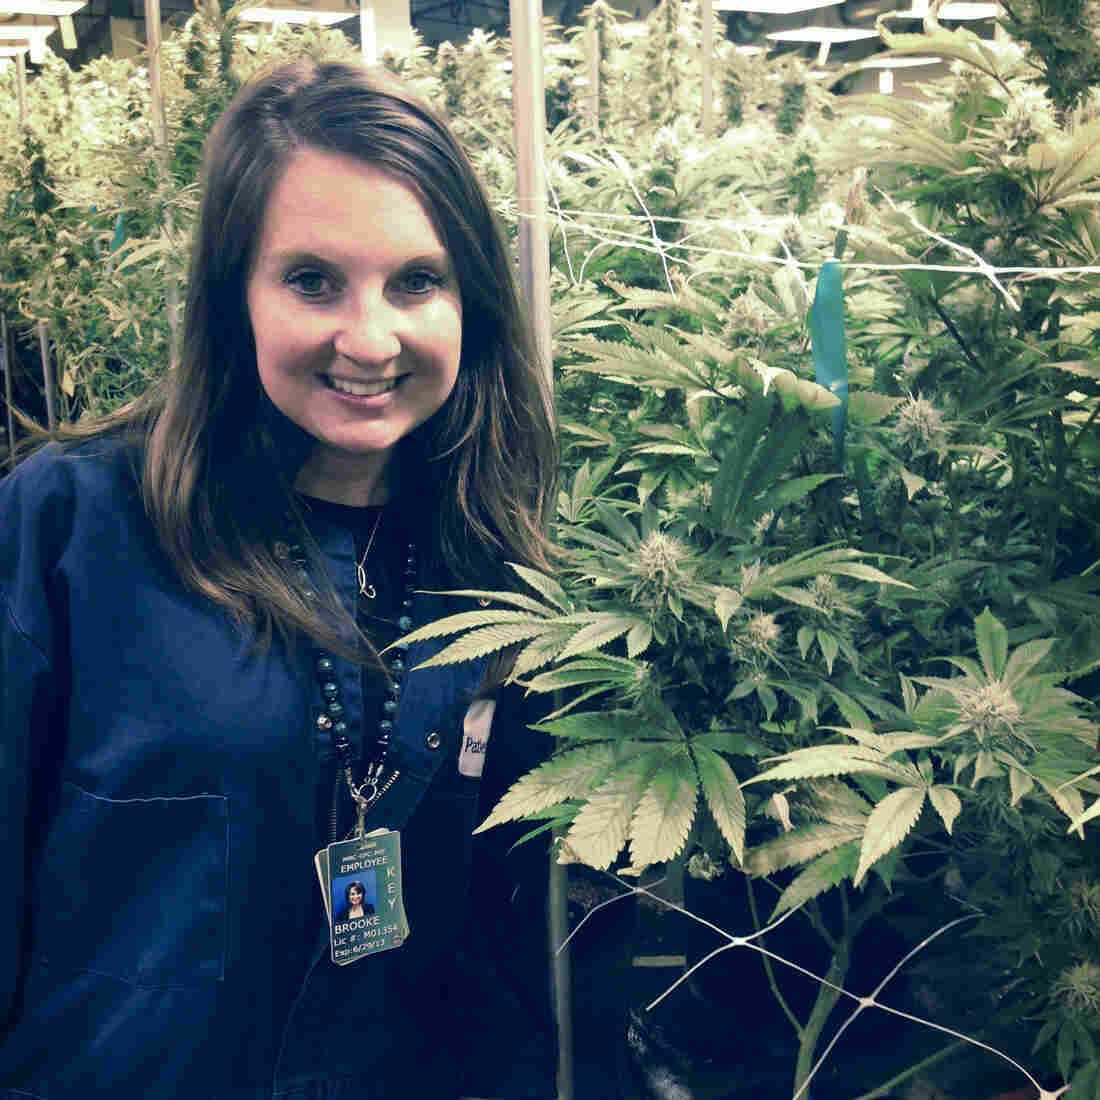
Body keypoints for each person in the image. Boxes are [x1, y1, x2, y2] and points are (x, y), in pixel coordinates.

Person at [0, 57, 559, 1100]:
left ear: (468, 298)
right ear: (234, 295)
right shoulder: (74, 523)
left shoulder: (491, 560)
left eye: (416, 281)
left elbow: (510, 938)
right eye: (312, 280)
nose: (370, 337)